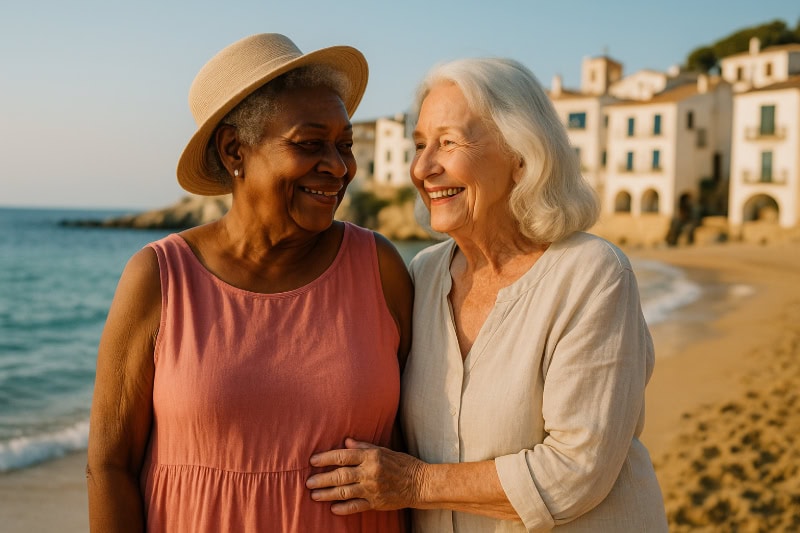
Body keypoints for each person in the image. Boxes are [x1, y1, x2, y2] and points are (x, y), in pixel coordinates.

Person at [306, 58, 669, 532]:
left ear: (521, 155)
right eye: (420, 146)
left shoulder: (592, 274)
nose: (423, 168)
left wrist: (415, 483)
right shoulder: (424, 273)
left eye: (449, 143)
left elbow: (575, 472)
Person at [86, 33, 412, 532]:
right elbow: (109, 465)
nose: (339, 166)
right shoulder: (158, 277)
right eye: (309, 144)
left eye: (344, 145)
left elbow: (420, 443)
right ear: (235, 149)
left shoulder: (380, 268)